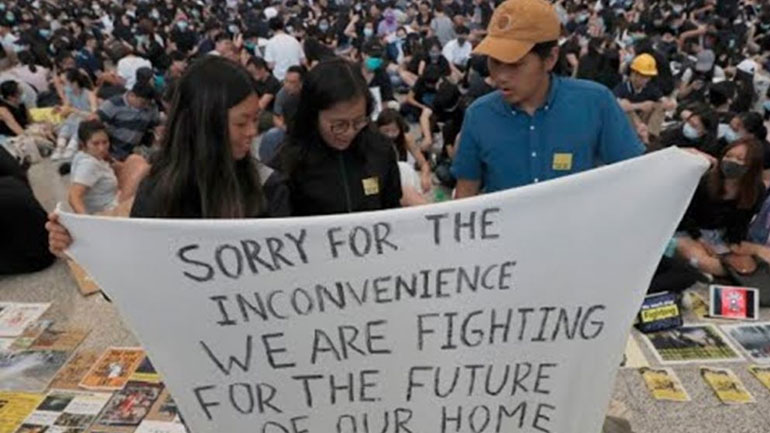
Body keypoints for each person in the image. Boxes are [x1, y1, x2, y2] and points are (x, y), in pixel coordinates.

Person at [47, 56, 291, 254]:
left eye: (256, 120)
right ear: (203, 126)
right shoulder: (159, 191)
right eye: (241, 123)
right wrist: (79, 243)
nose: (252, 132)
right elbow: (132, 273)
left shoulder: (267, 187)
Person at [451, 0, 644, 197]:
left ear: (550, 58)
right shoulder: (479, 116)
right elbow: (465, 196)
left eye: (515, 65)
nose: (500, 76)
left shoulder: (596, 103)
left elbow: (636, 178)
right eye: (495, 62)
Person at [276, 58, 402, 216]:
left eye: (358, 121)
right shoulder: (289, 162)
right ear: (314, 116)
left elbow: (393, 208)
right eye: (339, 124)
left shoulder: (380, 149)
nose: (349, 132)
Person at [676, 137, 766, 277]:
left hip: (719, 234)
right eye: (728, 156)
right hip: (687, 230)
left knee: (743, 265)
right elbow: (685, 216)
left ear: (752, 166)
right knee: (706, 263)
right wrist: (700, 240)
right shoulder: (704, 181)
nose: (731, 162)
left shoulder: (756, 190)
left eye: (740, 159)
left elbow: (741, 223)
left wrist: (734, 245)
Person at [69, 120, 137, 215]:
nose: (101, 148)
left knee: (134, 160)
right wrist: (86, 221)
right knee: (140, 167)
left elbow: (121, 166)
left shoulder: (88, 155)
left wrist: (110, 159)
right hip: (107, 210)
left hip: (112, 198)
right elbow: (73, 196)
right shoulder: (89, 164)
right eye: (95, 144)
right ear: (83, 144)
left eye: (105, 142)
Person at [97, 82, 161, 161]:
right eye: (143, 103)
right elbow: (95, 122)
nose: (146, 106)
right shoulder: (113, 104)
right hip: (111, 151)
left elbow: (153, 127)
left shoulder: (151, 108)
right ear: (132, 95)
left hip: (132, 153)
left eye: (148, 103)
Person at [264, 17, 305, 81]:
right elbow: (303, 60)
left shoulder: (270, 43)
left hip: (280, 78)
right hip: (297, 77)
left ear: (271, 29)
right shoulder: (294, 40)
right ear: (283, 27)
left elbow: (270, 65)